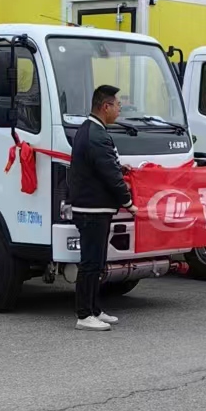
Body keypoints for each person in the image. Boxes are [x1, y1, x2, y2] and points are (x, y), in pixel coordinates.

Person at [67, 84, 135, 331]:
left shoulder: (91, 130)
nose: (119, 110)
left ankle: (95, 309)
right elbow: (109, 174)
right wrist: (128, 202)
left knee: (98, 263)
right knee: (90, 263)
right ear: (105, 107)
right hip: (92, 209)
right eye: (117, 105)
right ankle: (84, 315)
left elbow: (106, 167)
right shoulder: (96, 135)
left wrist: (121, 169)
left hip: (95, 207)